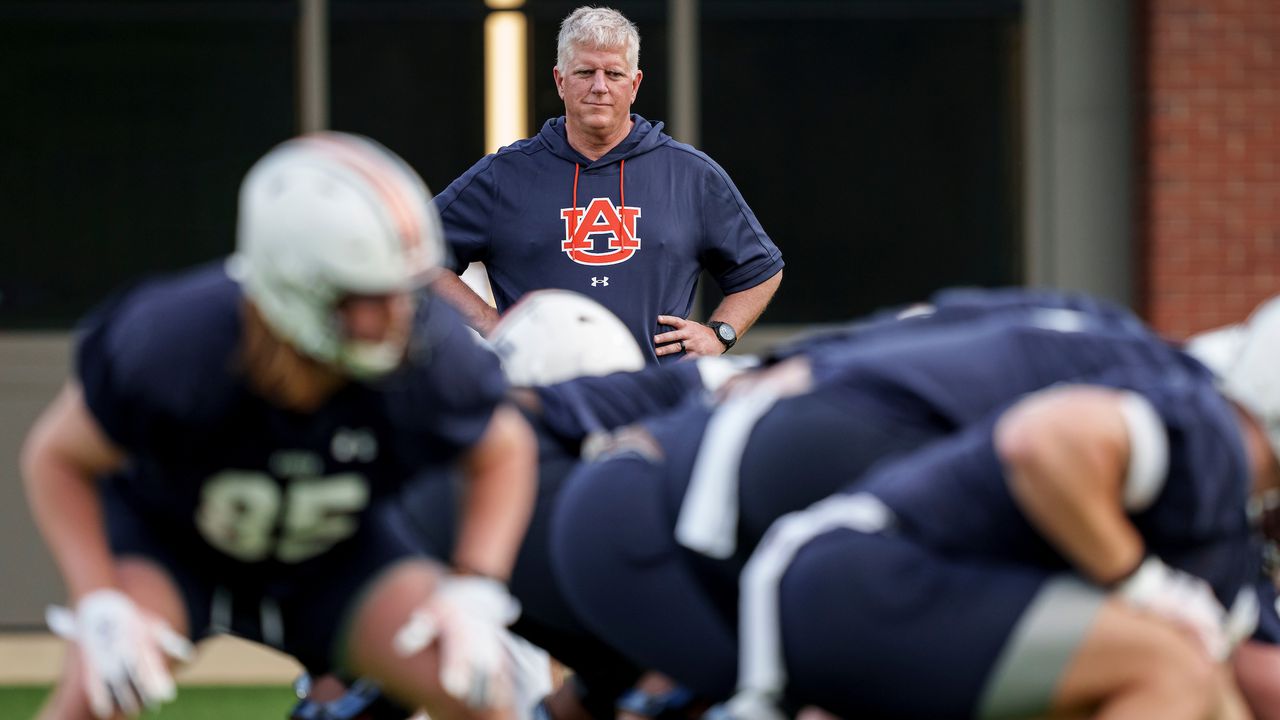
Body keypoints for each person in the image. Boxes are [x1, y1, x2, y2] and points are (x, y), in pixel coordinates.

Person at [549, 288, 1279, 717]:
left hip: (765, 529)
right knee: (1161, 661)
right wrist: (1139, 583)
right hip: (718, 519)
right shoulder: (1189, 424)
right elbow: (1046, 442)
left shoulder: (1130, 379)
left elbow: (1251, 662)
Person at [20, 132, 538, 720]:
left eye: (403, 289)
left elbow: (503, 448)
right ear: (295, 284)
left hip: (339, 554)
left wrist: (475, 585)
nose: (399, 315)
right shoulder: (176, 341)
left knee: (474, 684)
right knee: (97, 689)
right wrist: (98, 598)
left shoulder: (424, 349)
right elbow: (56, 456)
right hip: (177, 545)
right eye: (371, 295)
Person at [431, 5, 784, 365]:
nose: (599, 86)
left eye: (613, 73)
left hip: (657, 404)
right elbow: (417, 255)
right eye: (585, 72)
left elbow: (761, 271)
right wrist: (492, 324)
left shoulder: (690, 174)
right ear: (560, 81)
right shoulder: (503, 175)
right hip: (541, 403)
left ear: (634, 85)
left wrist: (719, 334)